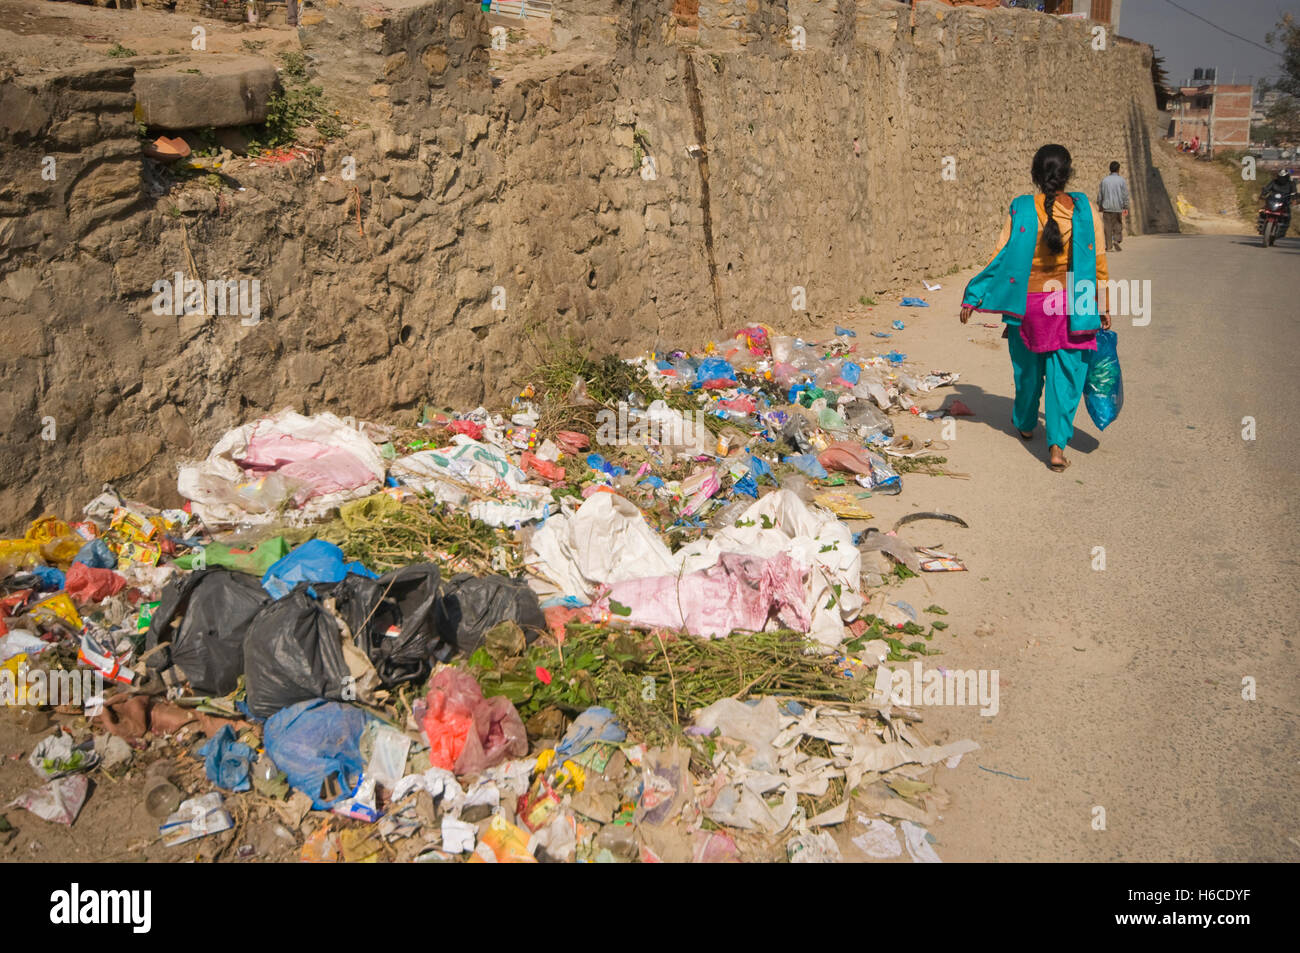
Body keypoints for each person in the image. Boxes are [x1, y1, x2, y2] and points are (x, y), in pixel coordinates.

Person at [960, 144, 1113, 472]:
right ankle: (1057, 447)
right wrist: (1102, 305)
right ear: (1068, 174)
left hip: (1029, 307)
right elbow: (1098, 262)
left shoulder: (1021, 209)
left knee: (1027, 373)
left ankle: (1026, 423)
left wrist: (975, 295)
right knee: (1066, 376)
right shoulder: (1085, 210)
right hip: (1072, 305)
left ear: (1035, 174)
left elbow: (1000, 258)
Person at [1097, 161, 1130, 252]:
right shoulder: (1121, 180)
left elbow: (1100, 194)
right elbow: (1125, 195)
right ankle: (1116, 240)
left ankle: (1109, 246)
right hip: (1118, 207)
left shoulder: (1104, 180)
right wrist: (1125, 206)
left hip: (1107, 207)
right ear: (1118, 169)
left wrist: (1100, 205)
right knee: (1118, 225)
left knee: (1107, 227)